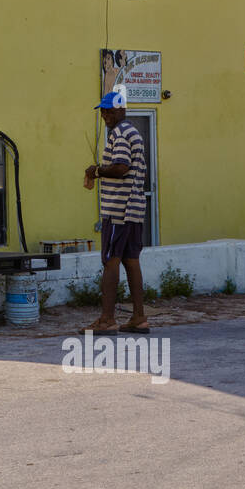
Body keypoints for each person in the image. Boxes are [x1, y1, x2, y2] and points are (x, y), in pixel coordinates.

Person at [82, 92, 149, 334]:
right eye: (102, 111)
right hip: (134, 209)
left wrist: (96, 171)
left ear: (121, 110)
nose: (105, 115)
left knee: (110, 262)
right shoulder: (133, 132)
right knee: (132, 262)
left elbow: (121, 167)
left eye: (109, 111)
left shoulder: (119, 133)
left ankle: (107, 320)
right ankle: (139, 317)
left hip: (117, 209)